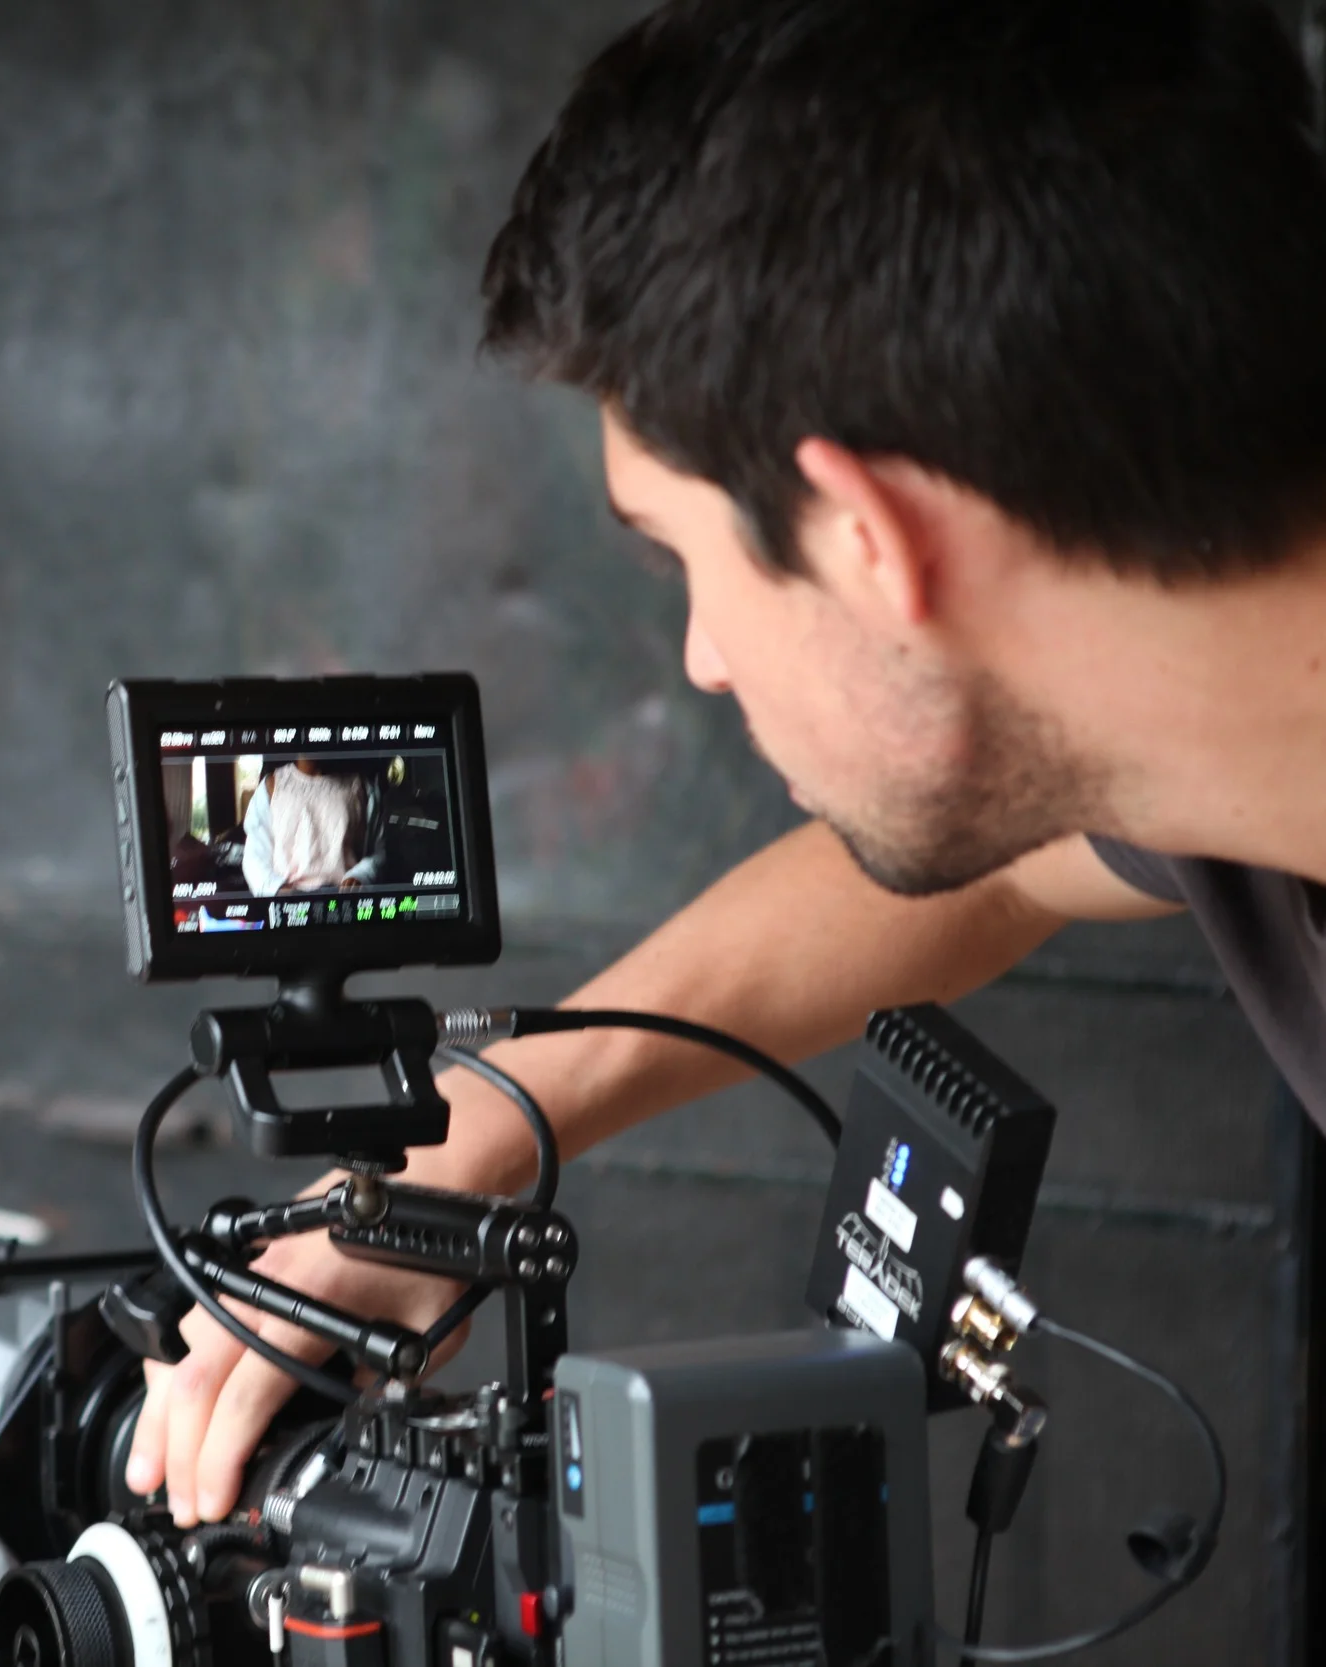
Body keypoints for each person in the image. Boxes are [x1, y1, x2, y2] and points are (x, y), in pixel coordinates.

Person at [123, 0, 1326, 1531]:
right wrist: (479, 1128)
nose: (703, 657)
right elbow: (1016, 866)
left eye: (683, 557)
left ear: (869, 539)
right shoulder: (1200, 762)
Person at [241, 760, 386, 895]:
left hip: (344, 897)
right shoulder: (272, 786)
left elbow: (379, 852)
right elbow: (255, 857)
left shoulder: (361, 787)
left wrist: (360, 875)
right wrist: (278, 889)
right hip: (289, 900)